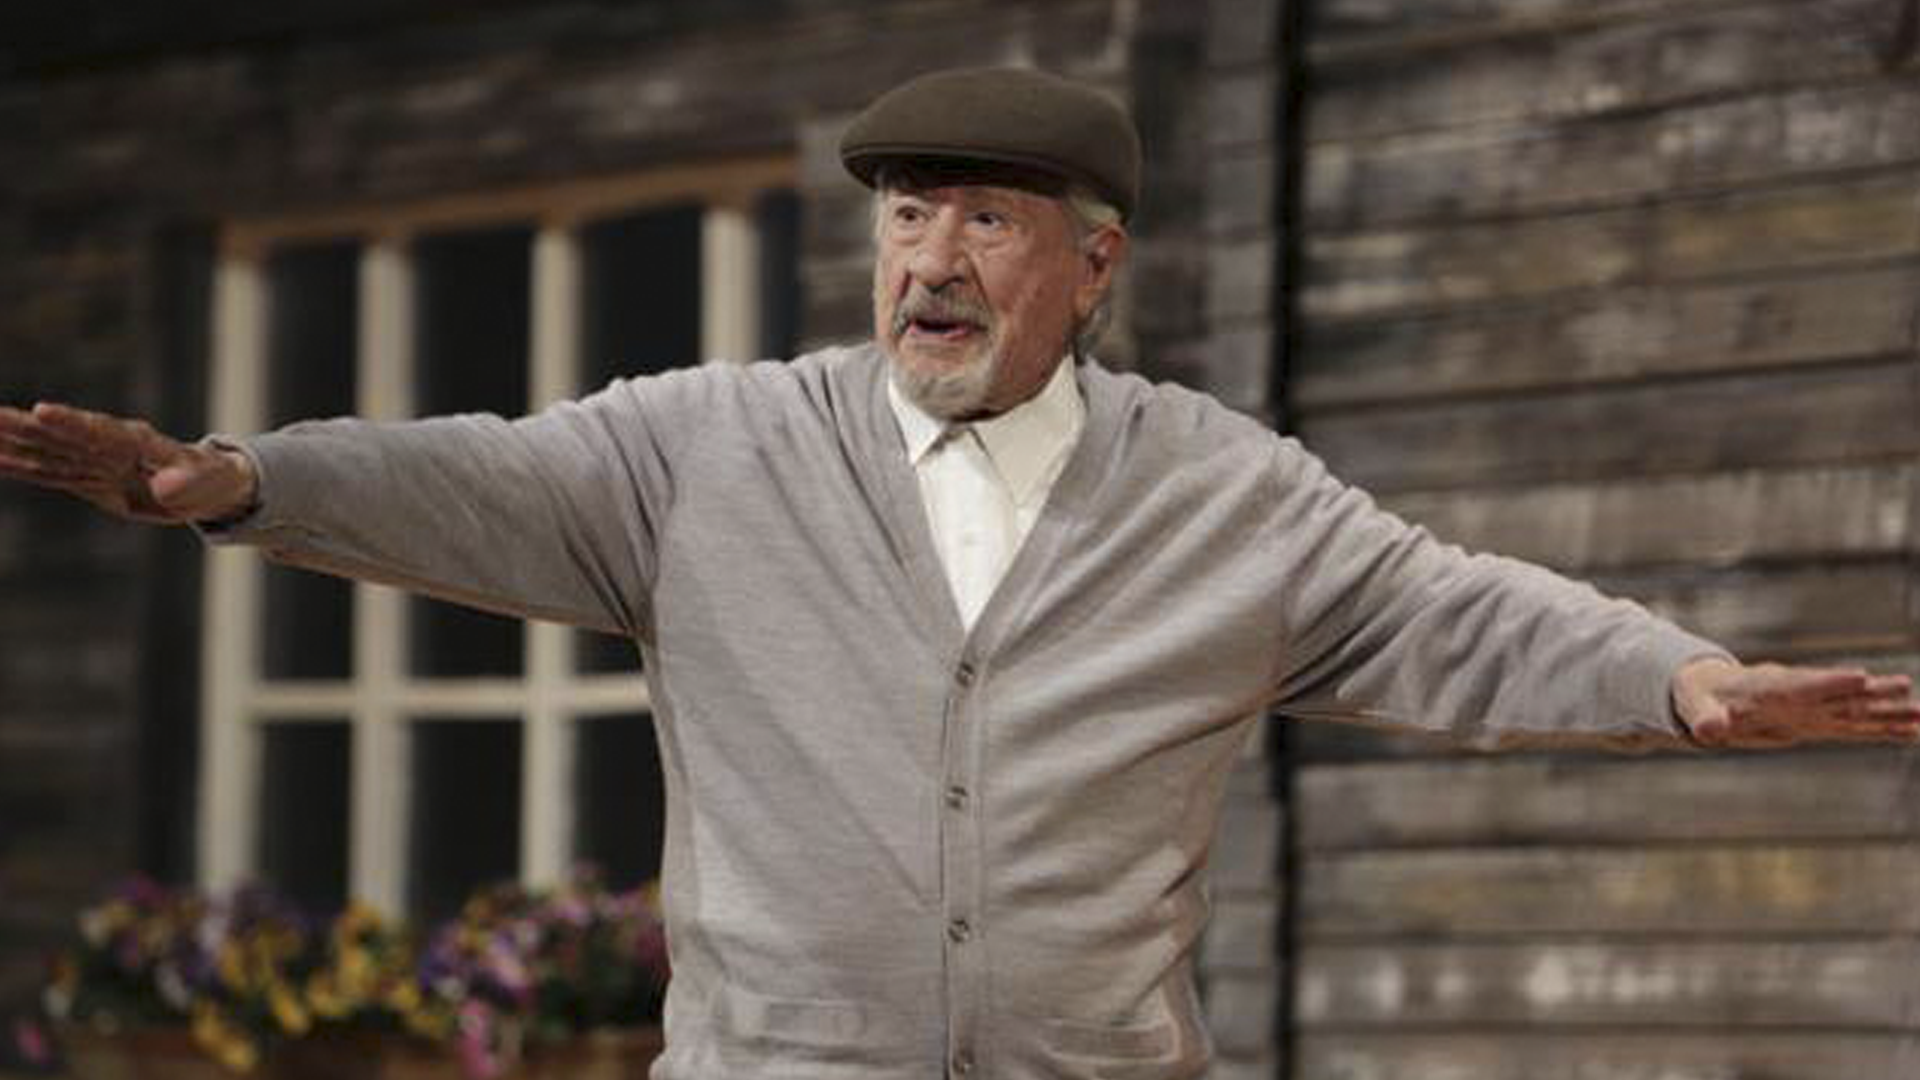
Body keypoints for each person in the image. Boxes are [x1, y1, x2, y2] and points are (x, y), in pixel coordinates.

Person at [1, 66, 1915, 1078]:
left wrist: (1682, 681)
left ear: (1092, 264)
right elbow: (478, 477)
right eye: (908, 216)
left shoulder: (1222, 492)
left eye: (985, 220)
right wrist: (242, 479)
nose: (927, 260)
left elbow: (1449, 608)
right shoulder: (710, 448)